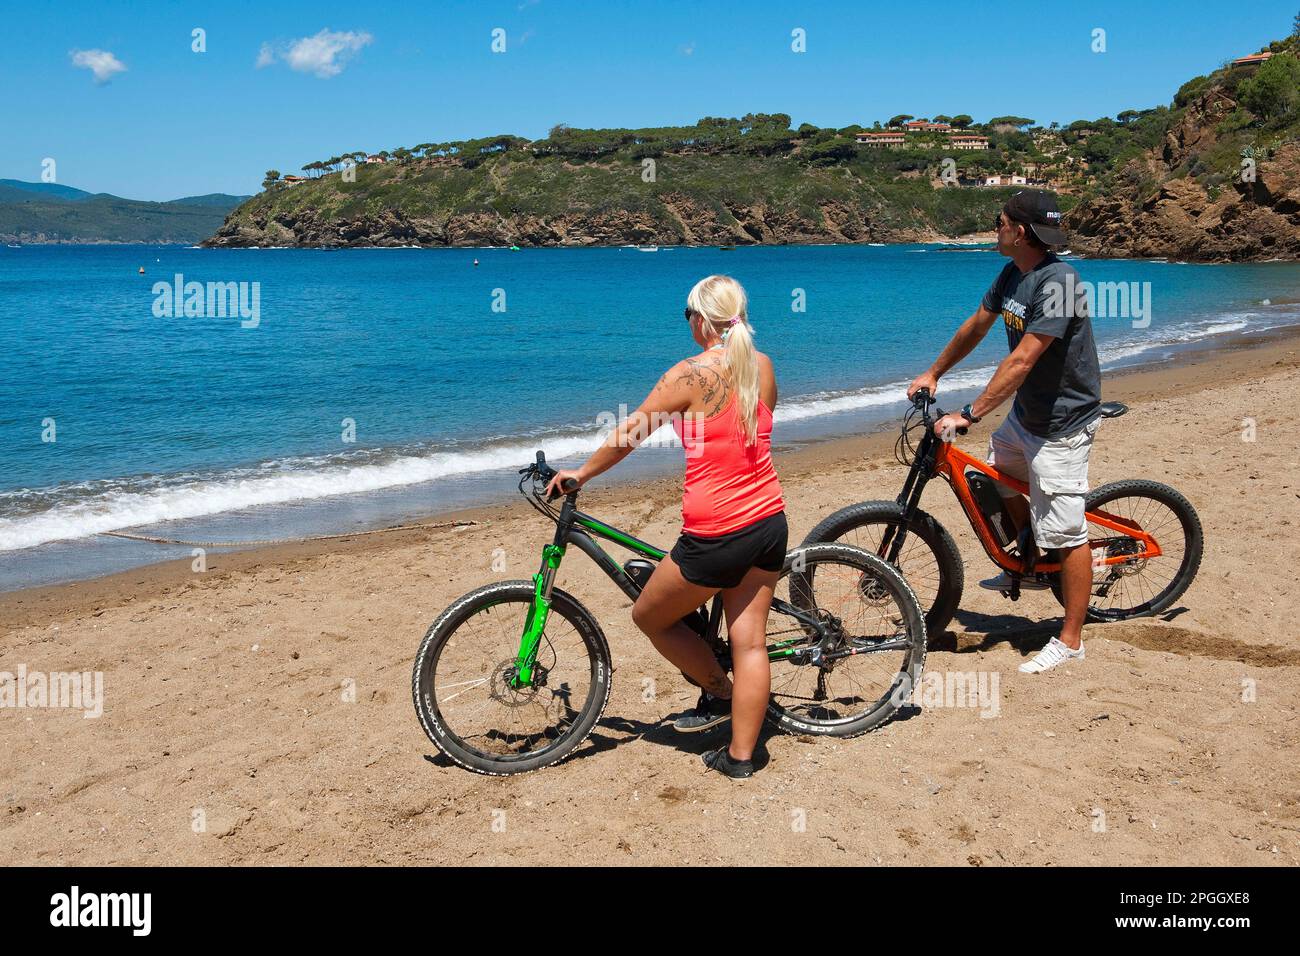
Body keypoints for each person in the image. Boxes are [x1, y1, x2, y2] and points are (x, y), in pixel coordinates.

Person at [547, 274, 785, 776]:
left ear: (701, 319)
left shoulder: (687, 376)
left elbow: (629, 433)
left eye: (687, 315)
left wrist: (581, 473)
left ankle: (719, 691)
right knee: (752, 644)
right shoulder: (761, 366)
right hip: (768, 519)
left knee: (650, 617)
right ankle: (742, 757)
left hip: (715, 532)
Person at [907, 190, 1101, 674]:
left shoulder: (1060, 283)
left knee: (1068, 531)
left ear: (1018, 230)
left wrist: (969, 413)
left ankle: (1071, 638)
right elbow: (977, 325)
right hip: (1026, 415)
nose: (995, 229)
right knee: (999, 476)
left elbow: (1023, 359)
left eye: (999, 222)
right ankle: (1031, 559)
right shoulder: (1014, 272)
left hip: (1061, 422)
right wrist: (934, 373)